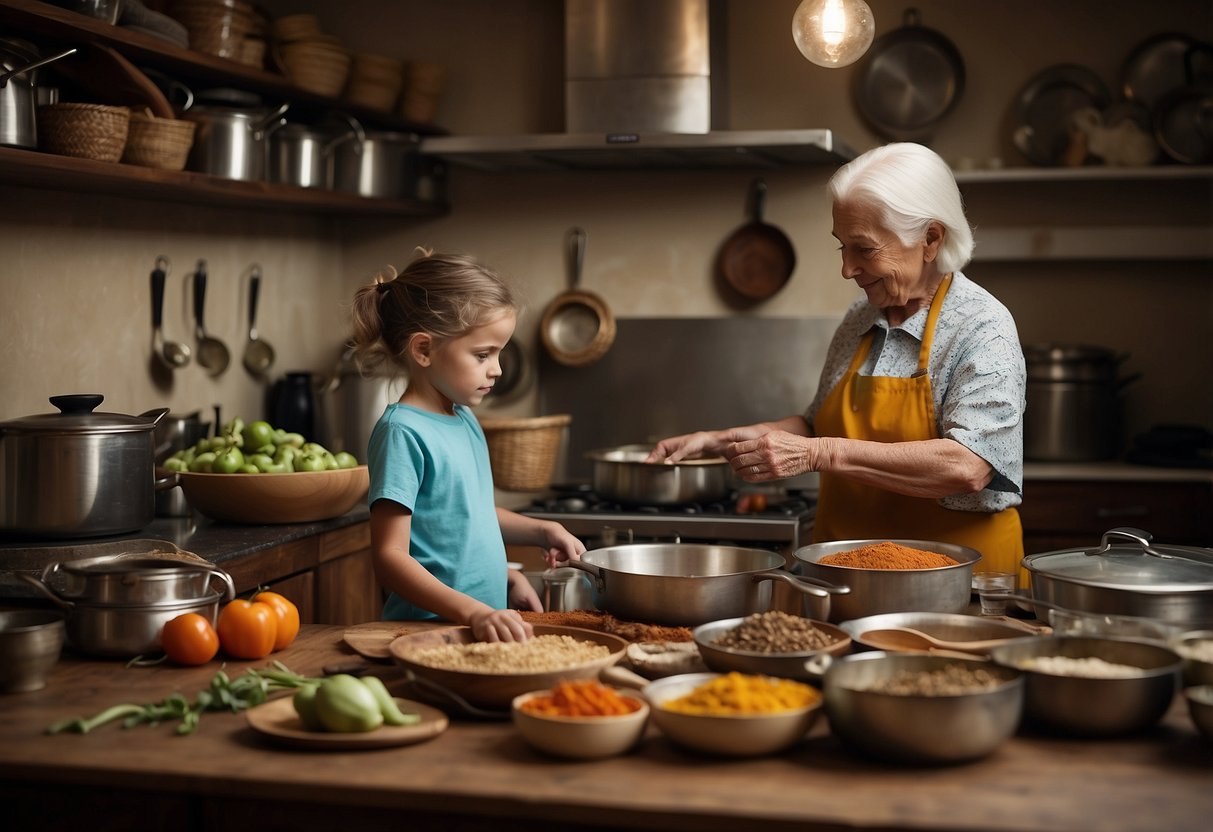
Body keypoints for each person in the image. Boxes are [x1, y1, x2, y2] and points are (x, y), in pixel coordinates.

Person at [647, 143, 1026, 577]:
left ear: (930, 239)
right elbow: (815, 425)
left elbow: (968, 466)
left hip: (956, 579)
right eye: (841, 247)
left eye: (864, 249)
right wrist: (720, 440)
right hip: (847, 574)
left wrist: (819, 453)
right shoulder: (860, 318)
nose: (847, 269)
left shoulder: (982, 326)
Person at [349, 249, 586, 642]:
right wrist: (474, 610)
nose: (497, 369)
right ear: (423, 350)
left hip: (476, 625)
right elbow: (391, 557)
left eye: (499, 352)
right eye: (482, 354)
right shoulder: (403, 432)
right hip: (424, 633)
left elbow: (464, 515)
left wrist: (534, 541)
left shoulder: (464, 418)